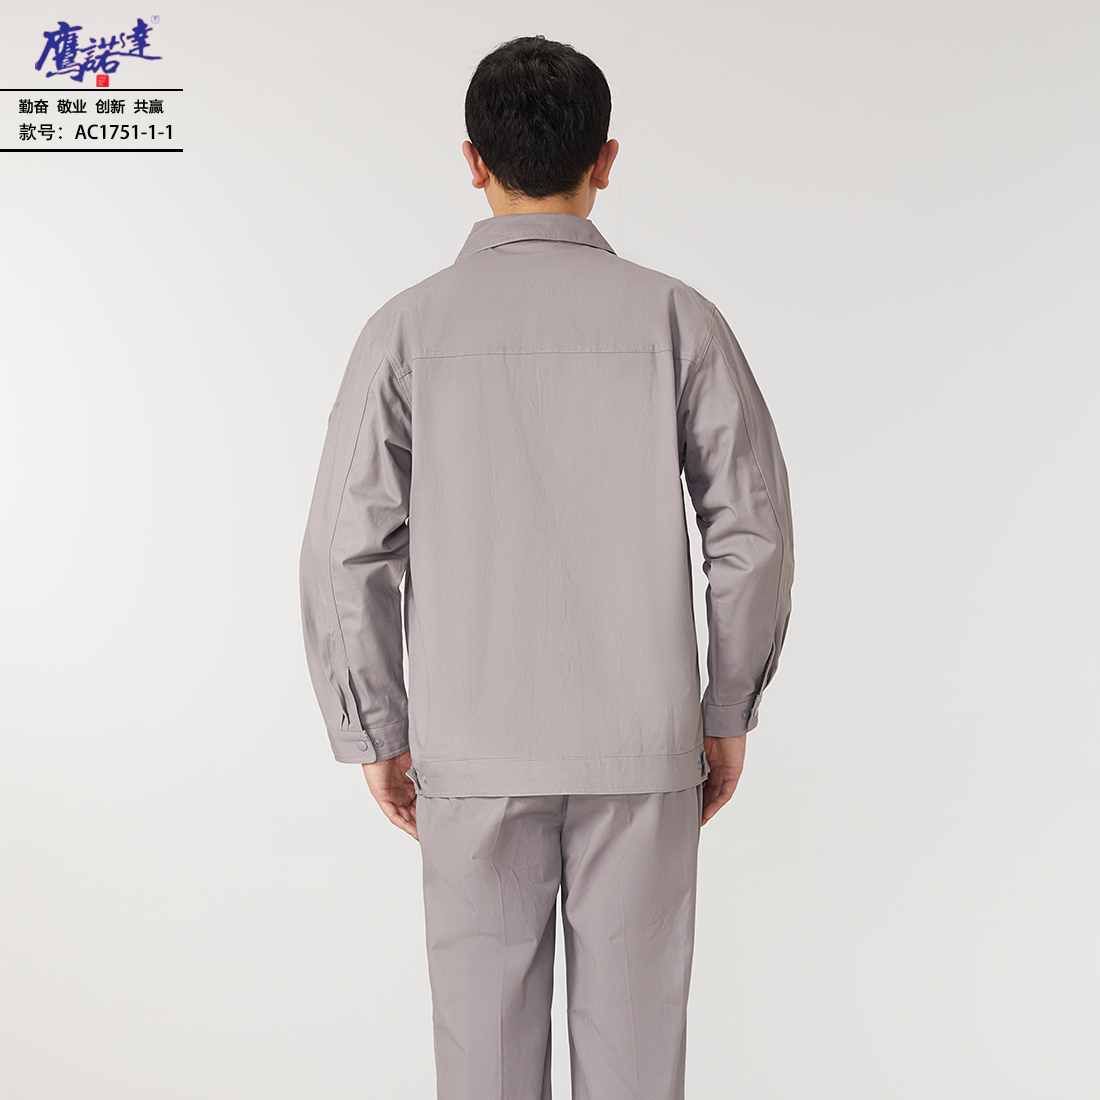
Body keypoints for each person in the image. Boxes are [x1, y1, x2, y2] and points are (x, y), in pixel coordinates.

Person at [298, 33, 795, 1100]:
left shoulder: (405, 329)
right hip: (642, 747)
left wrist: (377, 728)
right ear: (605, 161)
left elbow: (345, 549)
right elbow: (749, 529)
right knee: (637, 1065)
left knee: (480, 1064)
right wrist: (725, 706)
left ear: (471, 160)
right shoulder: (678, 318)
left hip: (470, 751)